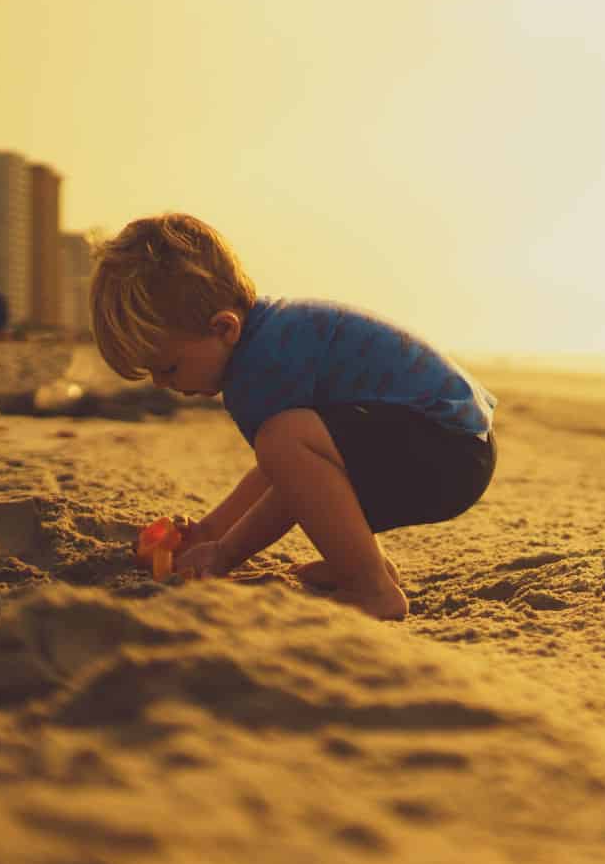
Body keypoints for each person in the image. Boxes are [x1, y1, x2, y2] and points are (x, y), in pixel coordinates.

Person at [89, 212, 496, 621]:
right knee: (294, 447)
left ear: (223, 328)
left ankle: (371, 588)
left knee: (286, 441)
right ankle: (363, 567)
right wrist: (211, 531)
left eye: (169, 367)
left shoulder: (260, 368)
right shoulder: (271, 334)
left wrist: (224, 554)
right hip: (457, 445)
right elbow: (284, 472)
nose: (160, 384)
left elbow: (287, 480)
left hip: (446, 451)